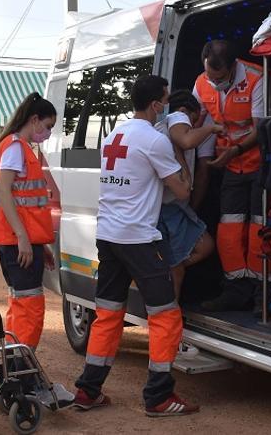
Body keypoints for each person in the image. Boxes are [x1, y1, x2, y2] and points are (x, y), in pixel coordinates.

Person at [72, 75, 200, 417]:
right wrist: (179, 152)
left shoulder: (115, 134)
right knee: (166, 316)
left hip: (109, 236)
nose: (167, 106)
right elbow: (183, 191)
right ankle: (159, 397)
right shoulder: (155, 141)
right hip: (139, 239)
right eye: (166, 100)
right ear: (156, 105)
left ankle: (89, 390)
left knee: (108, 314)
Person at [0, 92, 71, 405]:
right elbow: (6, 195)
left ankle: (15, 378)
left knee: (21, 310)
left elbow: (24, 202)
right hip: (17, 243)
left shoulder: (19, 147)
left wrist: (39, 244)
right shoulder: (14, 148)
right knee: (30, 311)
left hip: (22, 243)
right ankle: (22, 379)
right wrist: (25, 238)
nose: (47, 132)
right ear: (34, 119)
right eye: (47, 125)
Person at [193, 39, 269, 314]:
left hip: (259, 165)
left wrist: (234, 150)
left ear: (233, 66)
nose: (214, 83)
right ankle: (235, 291)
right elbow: (196, 124)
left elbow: (261, 129)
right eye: (210, 76)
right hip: (228, 168)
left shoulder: (255, 77)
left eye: (220, 78)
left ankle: (263, 295)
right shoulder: (202, 82)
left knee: (259, 230)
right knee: (228, 230)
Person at [154, 89, 221, 300]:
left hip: (173, 206)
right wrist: (211, 128)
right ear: (184, 111)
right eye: (194, 119)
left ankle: (165, 267)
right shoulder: (176, 117)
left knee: (202, 247)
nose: (194, 125)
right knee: (177, 271)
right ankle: (169, 317)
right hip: (168, 207)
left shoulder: (163, 129)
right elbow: (187, 141)